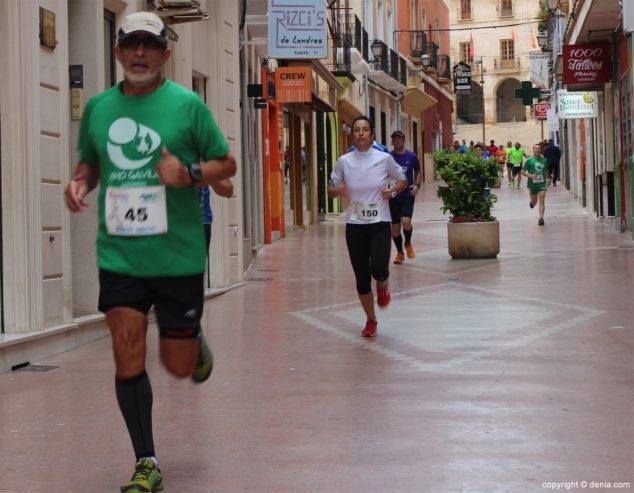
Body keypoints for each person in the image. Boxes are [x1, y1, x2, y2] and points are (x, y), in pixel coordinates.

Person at [62, 12, 237, 493]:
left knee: (179, 366)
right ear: (117, 51)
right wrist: (80, 182)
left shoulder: (186, 106)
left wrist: (190, 174)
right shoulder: (98, 108)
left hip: (178, 256)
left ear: (165, 53)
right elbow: (90, 162)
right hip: (119, 255)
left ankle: (192, 339)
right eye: (130, 43)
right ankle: (146, 462)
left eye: (149, 44)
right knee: (127, 354)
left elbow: (228, 163)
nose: (139, 52)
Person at [328, 116, 407, 338]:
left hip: (379, 222)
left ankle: (383, 285)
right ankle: (371, 320)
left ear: (372, 135)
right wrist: (337, 189)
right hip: (355, 225)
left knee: (379, 269)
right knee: (362, 277)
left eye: (365, 130)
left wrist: (392, 191)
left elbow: (401, 181)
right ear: (352, 135)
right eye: (356, 130)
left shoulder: (384, 159)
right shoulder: (344, 161)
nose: (361, 133)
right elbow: (331, 188)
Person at [388, 130, 422, 264]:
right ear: (392, 141)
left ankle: (408, 243)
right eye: (394, 139)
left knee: (406, 221)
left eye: (399, 138)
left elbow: (418, 172)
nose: (397, 141)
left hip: (407, 193)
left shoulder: (412, 156)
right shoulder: (388, 157)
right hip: (393, 195)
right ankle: (400, 253)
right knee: (395, 229)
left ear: (404, 140)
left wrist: (417, 185)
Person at [199, 179, 234, 253]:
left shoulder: (204, 166)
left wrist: (203, 173)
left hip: (200, 223)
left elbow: (228, 190)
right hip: (170, 223)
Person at [522, 143, 550, 226]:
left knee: (542, 200)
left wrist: (548, 179)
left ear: (541, 150)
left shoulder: (544, 160)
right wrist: (530, 175)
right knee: (535, 202)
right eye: (535, 148)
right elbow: (522, 172)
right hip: (532, 184)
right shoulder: (529, 160)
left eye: (539, 148)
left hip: (542, 183)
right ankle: (532, 203)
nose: (537, 150)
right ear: (533, 150)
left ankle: (541, 218)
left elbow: (546, 170)